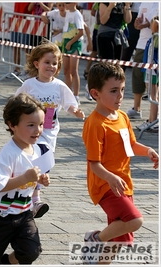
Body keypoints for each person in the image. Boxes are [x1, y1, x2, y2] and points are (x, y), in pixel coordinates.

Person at [82, 62, 159, 264]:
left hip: (124, 184)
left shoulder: (122, 116)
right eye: (114, 91)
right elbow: (94, 163)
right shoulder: (95, 123)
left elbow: (130, 145)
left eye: (123, 90)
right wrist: (111, 177)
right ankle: (95, 238)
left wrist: (148, 151)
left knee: (119, 240)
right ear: (95, 93)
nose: (120, 96)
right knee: (134, 220)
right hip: (105, 185)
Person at [0, 93, 50, 264]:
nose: (37, 130)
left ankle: (6, 263)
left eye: (41, 124)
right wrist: (25, 178)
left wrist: (41, 179)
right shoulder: (7, 154)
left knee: (31, 251)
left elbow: (32, 177)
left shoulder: (37, 150)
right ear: (12, 125)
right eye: (31, 125)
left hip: (23, 213)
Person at [15, 41, 85, 219]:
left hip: (49, 135)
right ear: (37, 64)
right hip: (30, 134)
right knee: (34, 165)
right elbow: (16, 102)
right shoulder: (29, 85)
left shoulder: (59, 86)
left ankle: (29, 198)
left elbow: (69, 103)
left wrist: (75, 111)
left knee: (42, 166)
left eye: (55, 63)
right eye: (47, 62)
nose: (51, 66)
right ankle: (35, 200)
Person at [126, 2, 159, 120]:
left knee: (153, 83)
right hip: (142, 43)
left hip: (155, 46)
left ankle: (153, 118)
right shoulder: (143, 3)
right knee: (138, 75)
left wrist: (148, 24)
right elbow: (138, 22)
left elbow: (156, 24)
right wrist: (137, 23)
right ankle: (137, 109)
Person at [136, 16, 159, 133]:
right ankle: (151, 119)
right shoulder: (154, 37)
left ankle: (153, 121)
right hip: (150, 68)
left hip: (153, 69)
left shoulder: (157, 37)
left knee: (153, 95)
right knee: (153, 95)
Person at [61, 2, 84, 104]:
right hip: (66, 40)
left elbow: (81, 31)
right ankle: (68, 93)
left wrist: (70, 43)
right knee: (66, 70)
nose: (66, 4)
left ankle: (76, 95)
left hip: (74, 43)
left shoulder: (77, 14)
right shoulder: (68, 13)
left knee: (73, 71)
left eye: (68, 3)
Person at [83, 2, 100, 81]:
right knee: (94, 51)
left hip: (108, 29)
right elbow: (92, 12)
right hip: (99, 28)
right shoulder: (98, 2)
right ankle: (87, 70)